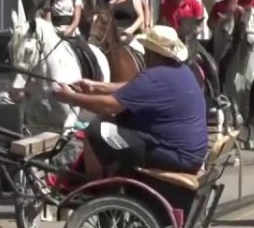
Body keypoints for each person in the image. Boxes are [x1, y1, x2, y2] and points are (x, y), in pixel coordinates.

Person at [50, 26, 207, 177]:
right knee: (118, 125)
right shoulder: (181, 71)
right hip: (193, 153)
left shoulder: (154, 77)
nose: (145, 55)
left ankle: (94, 188)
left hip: (176, 156)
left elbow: (108, 106)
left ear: (154, 53)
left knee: (94, 130)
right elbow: (134, 87)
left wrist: (70, 97)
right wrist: (96, 87)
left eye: (147, 51)